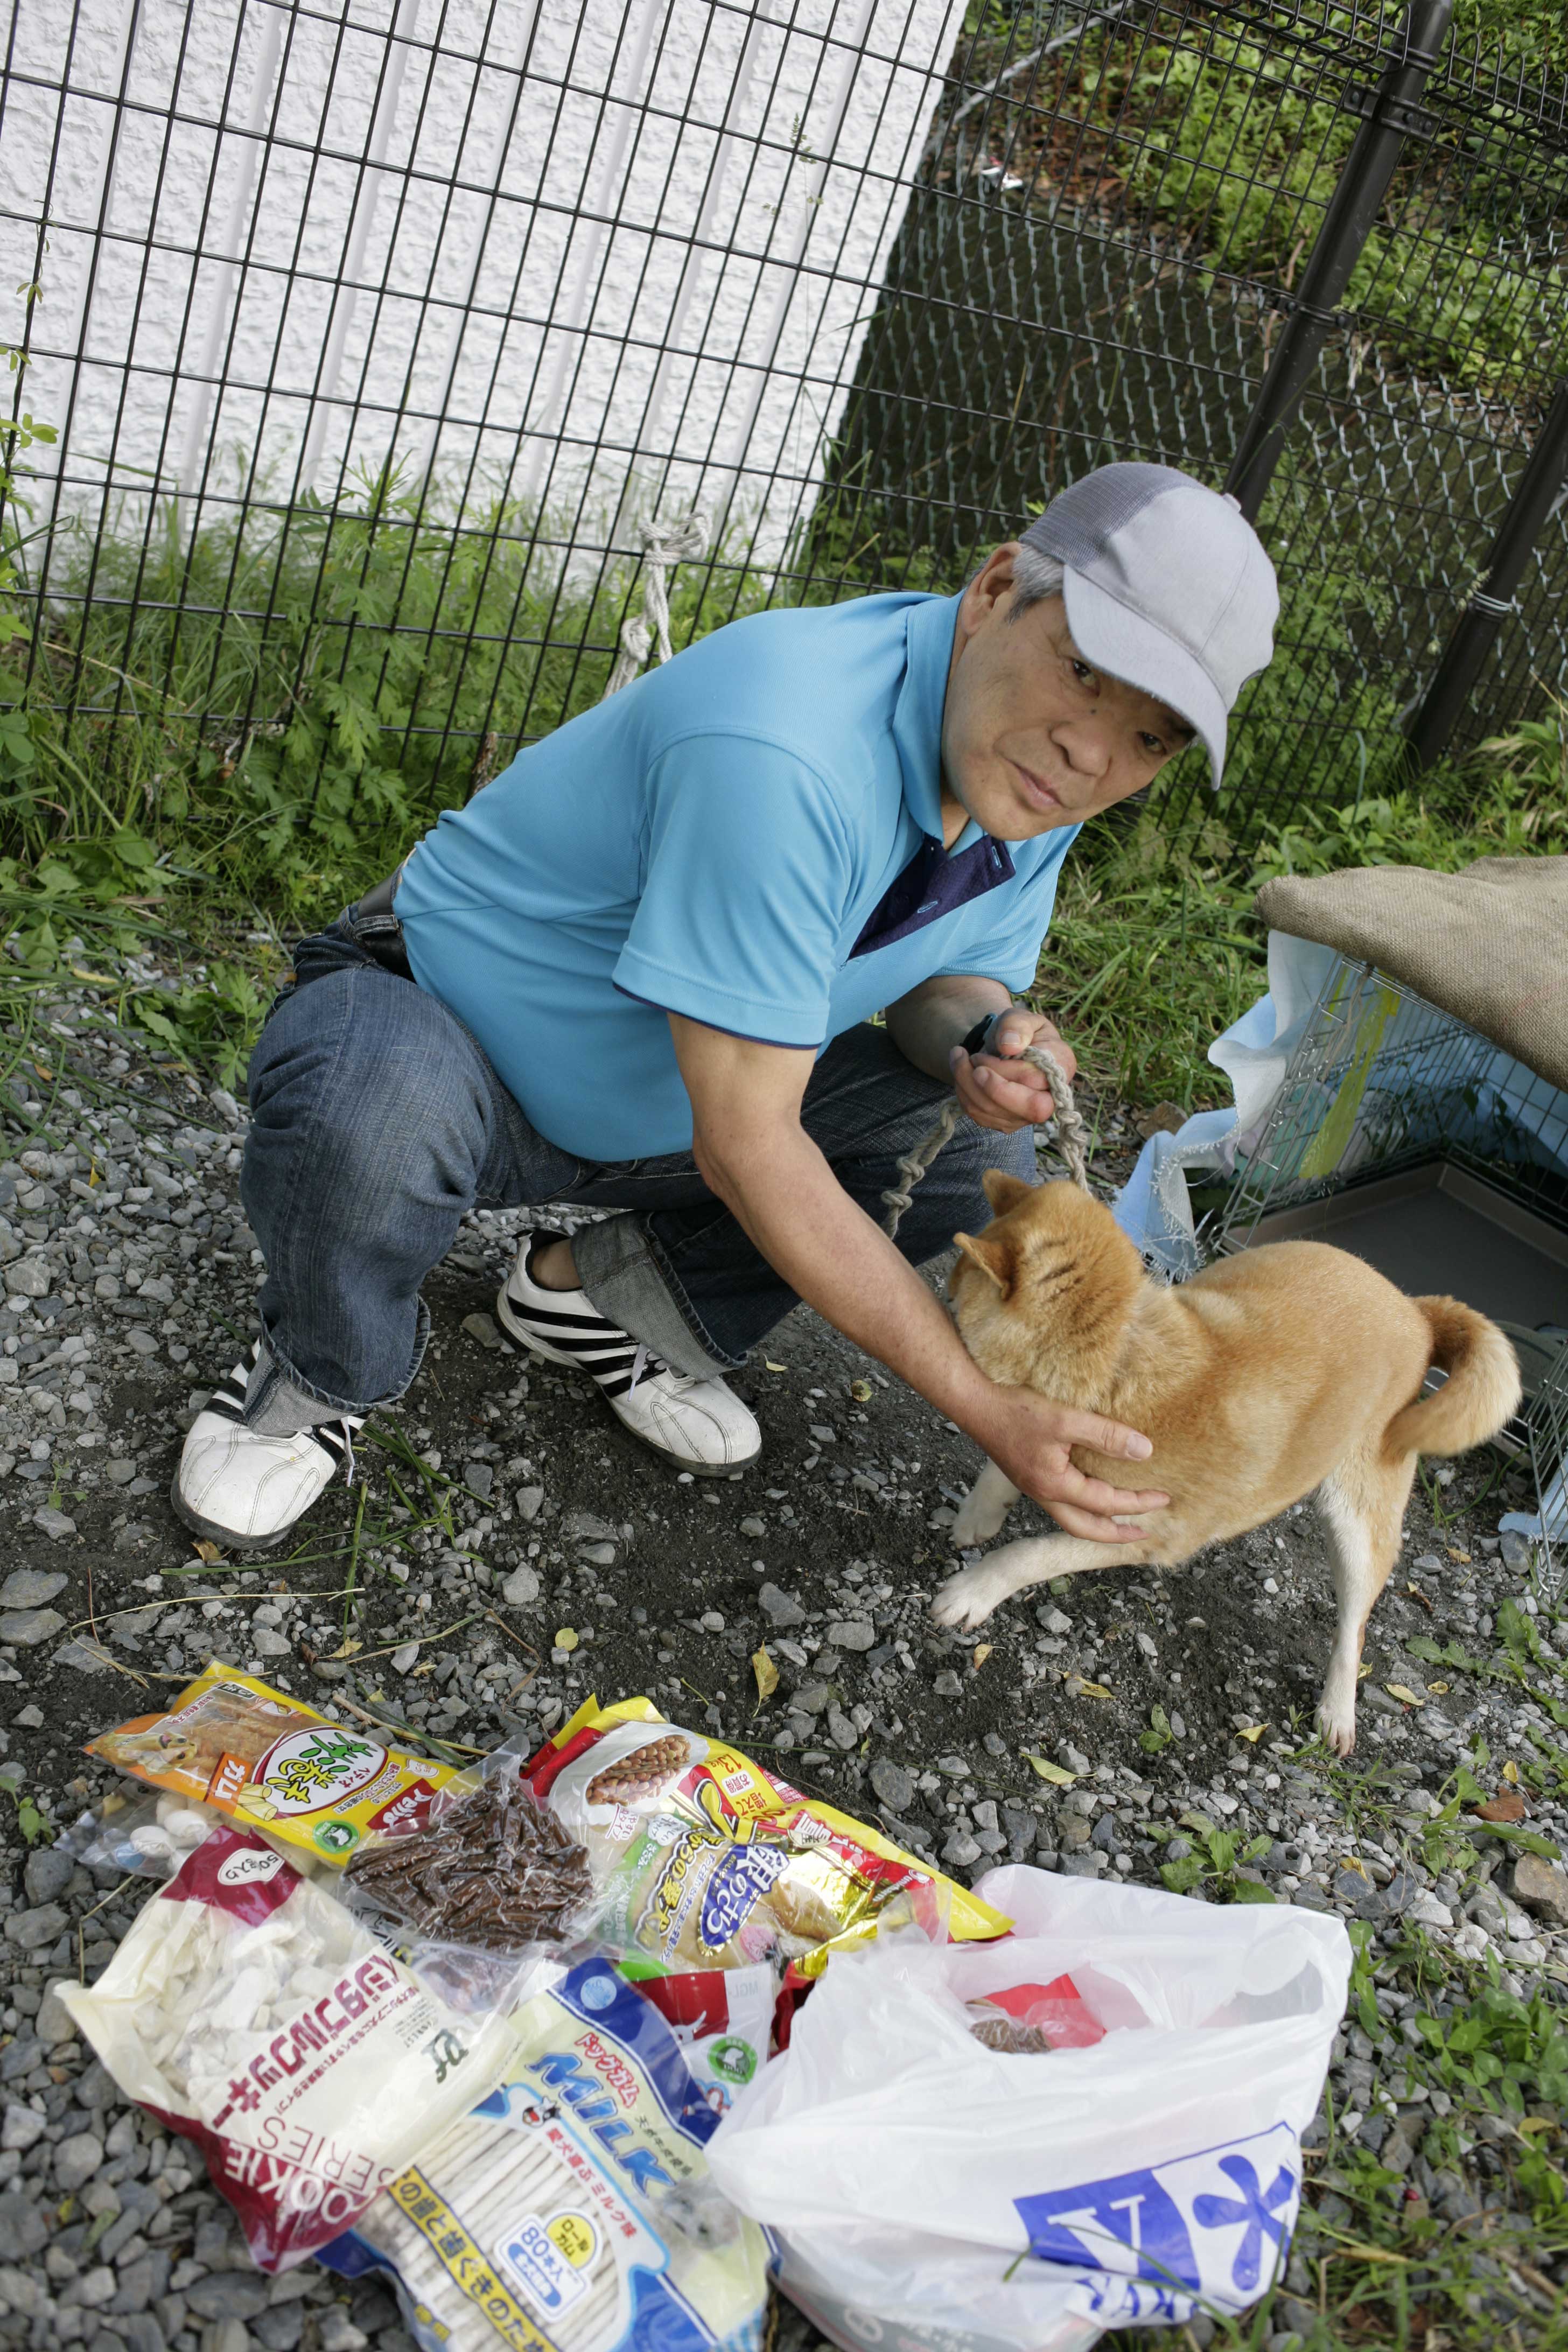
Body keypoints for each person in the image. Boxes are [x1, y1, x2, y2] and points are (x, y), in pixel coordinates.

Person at [173, 461, 1277, 1550]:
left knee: (944, 1130)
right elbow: (748, 1145)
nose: (1094, 753)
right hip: (455, 1039)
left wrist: (980, 1037)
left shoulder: (1027, 773)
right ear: (995, 592)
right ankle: (316, 1377)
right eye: (1083, 671)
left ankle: (590, 1302)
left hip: (666, 1099)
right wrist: (985, 1409)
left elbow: (942, 984)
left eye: (1150, 738)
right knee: (370, 1107)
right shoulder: (787, 745)